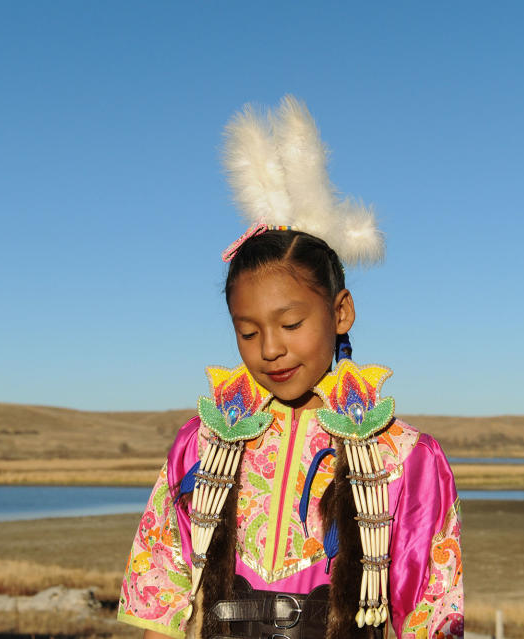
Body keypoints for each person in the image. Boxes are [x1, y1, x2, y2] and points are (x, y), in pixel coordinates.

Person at [119, 97, 463, 639]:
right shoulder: (201, 446)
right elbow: (159, 588)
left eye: (291, 323)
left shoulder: (407, 460)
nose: (270, 349)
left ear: (341, 311)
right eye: (248, 331)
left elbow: (433, 611)